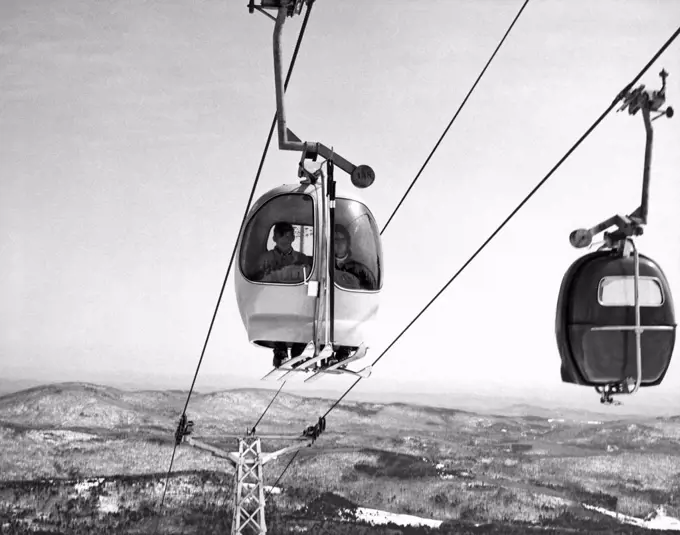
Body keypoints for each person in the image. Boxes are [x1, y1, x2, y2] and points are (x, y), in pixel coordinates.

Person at [254, 222, 312, 368]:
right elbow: (259, 282)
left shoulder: (302, 258)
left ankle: (298, 353)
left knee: (305, 315)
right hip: (276, 302)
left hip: (298, 300)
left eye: (288, 234)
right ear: (274, 238)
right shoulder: (265, 259)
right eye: (281, 235)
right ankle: (280, 353)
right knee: (277, 317)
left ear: (293, 237)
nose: (284, 238)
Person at [330, 224, 377, 364]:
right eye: (335, 240)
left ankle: (343, 353)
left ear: (348, 243)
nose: (338, 243)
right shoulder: (323, 267)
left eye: (341, 240)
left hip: (349, 314)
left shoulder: (359, 270)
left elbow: (371, 292)